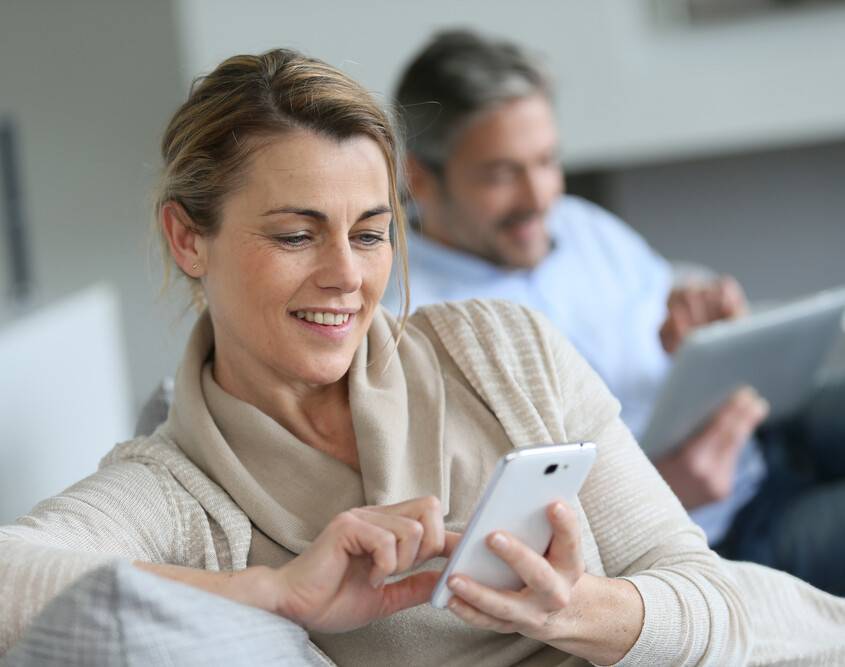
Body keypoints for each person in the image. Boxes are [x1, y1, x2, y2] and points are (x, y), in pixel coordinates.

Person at [1, 48, 843, 667]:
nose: (346, 275)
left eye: (370, 234)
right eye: (295, 235)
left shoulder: (502, 349)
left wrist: (582, 610)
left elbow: (703, 585)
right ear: (188, 239)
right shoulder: (177, 492)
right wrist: (274, 591)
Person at [386, 29, 845, 595]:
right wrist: (654, 496)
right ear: (419, 177)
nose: (539, 198)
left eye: (547, 161)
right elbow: (494, 544)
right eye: (502, 174)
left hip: (771, 431)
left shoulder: (580, 225)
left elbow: (666, 303)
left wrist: (697, 325)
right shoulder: (412, 328)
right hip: (716, 536)